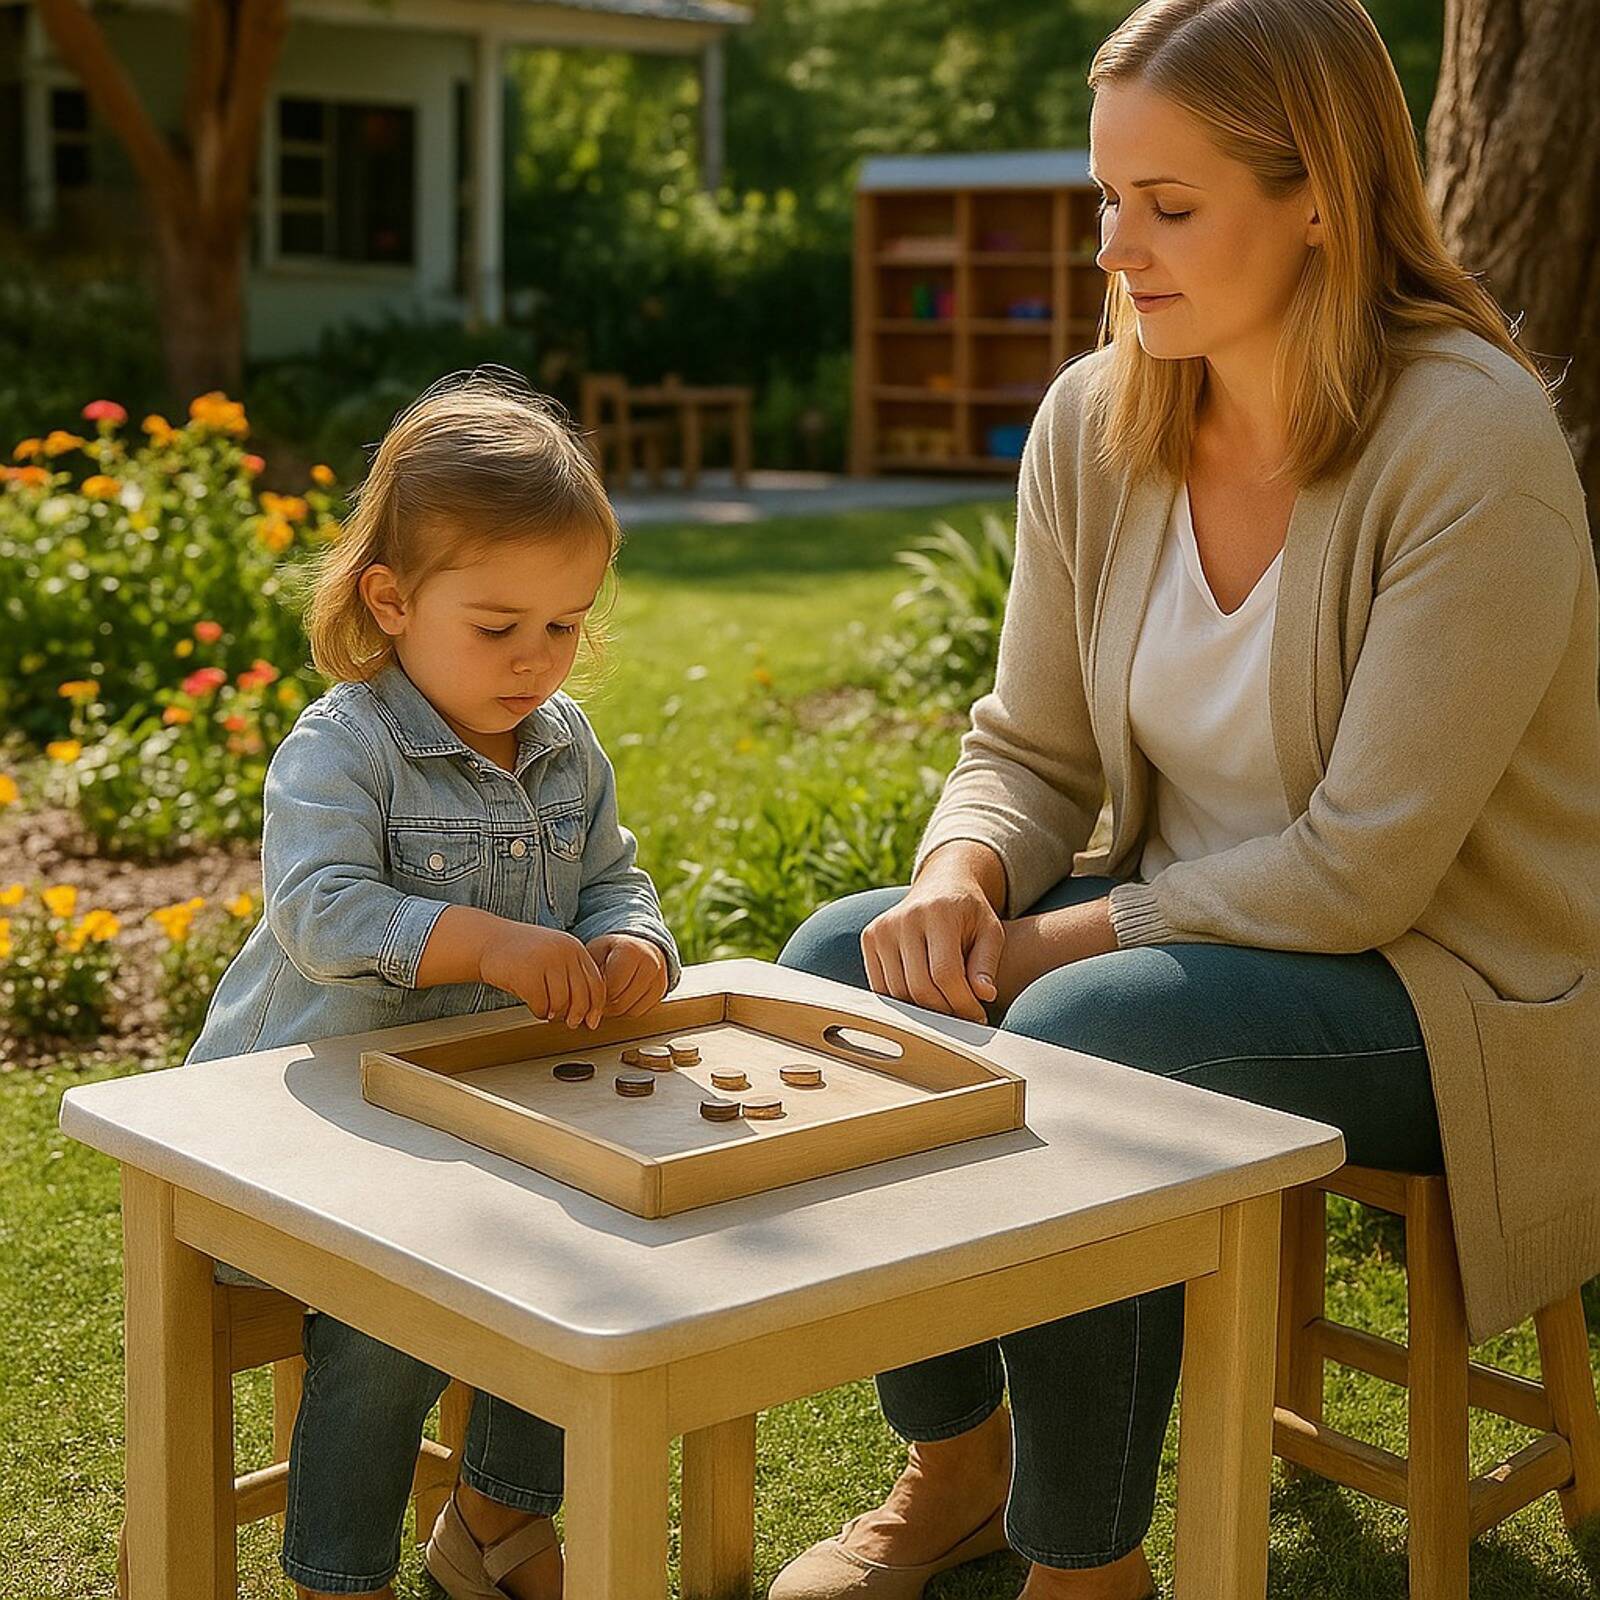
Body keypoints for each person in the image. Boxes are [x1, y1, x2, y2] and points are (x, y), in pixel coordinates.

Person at [771, 1, 1600, 1597]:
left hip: (1446, 984)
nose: (1114, 249)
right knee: (834, 973)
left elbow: (1363, 871)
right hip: (1189, 941)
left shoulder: (1470, 442)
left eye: (1167, 206)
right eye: (1107, 197)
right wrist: (960, 876)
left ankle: (1088, 1565)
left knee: (1089, 1039)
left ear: (1320, 199)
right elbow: (1031, 749)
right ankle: (958, 1467)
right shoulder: (1103, 418)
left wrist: (1052, 942)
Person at [187, 366, 679, 1600]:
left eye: (563, 626)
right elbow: (319, 912)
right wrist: (488, 942)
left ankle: (496, 1518)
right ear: (392, 600)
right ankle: (338, 1576)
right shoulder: (343, 745)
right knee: (393, 1300)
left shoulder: (566, 749)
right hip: (302, 1142)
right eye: (498, 628)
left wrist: (633, 945)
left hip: (473, 1121)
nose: (536, 662)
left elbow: (613, 880)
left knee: (586, 1252)